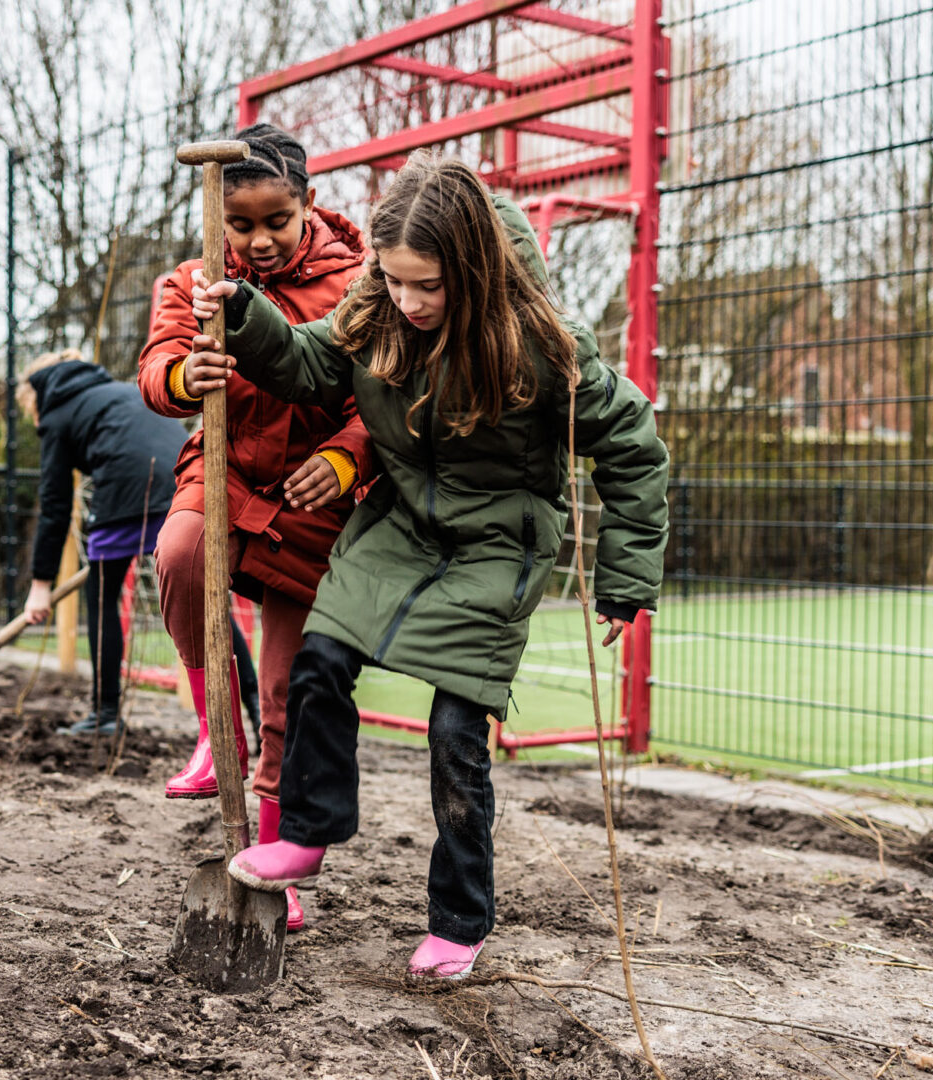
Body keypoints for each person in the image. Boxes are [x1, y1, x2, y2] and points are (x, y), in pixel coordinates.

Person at [187, 153, 669, 978]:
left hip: (498, 544)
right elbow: (307, 365)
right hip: (401, 522)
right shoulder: (375, 307)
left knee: (455, 735)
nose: (408, 302)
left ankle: (458, 919)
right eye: (396, 280)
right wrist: (245, 313)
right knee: (320, 662)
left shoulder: (544, 345)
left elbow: (633, 449)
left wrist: (625, 576)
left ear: (473, 273)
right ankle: (306, 833)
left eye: (429, 287)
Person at [137, 122, 376, 932]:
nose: (260, 239)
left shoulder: (361, 288)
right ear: (219, 219)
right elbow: (155, 368)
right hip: (227, 469)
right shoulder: (194, 279)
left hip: (315, 494)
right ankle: (214, 730)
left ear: (309, 204)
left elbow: (380, 403)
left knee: (286, 689)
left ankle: (272, 866)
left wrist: (346, 458)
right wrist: (181, 375)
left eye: (278, 219)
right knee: (177, 555)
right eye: (241, 224)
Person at [19, 349, 188, 734]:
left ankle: (105, 713)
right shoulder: (117, 391)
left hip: (130, 483)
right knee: (202, 596)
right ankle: (257, 710)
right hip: (186, 478)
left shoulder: (57, 411)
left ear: (36, 393)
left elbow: (55, 505)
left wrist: (40, 586)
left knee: (101, 596)